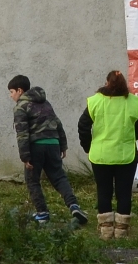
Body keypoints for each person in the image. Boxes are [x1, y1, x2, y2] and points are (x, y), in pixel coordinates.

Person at [9, 75, 88, 227]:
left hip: (36, 147)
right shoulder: (45, 103)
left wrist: (25, 156)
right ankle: (74, 206)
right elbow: (58, 123)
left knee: (32, 180)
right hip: (53, 144)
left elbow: (22, 133)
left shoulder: (21, 106)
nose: (11, 95)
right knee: (59, 177)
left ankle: (42, 213)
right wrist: (63, 145)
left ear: (20, 90)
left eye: (11, 92)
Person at [78, 70, 138, 241]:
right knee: (124, 193)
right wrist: (131, 138)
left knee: (104, 191)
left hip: (101, 155)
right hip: (126, 155)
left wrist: (88, 146)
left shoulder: (95, 101)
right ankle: (122, 231)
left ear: (106, 82)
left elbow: (83, 125)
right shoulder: (132, 102)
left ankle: (106, 231)